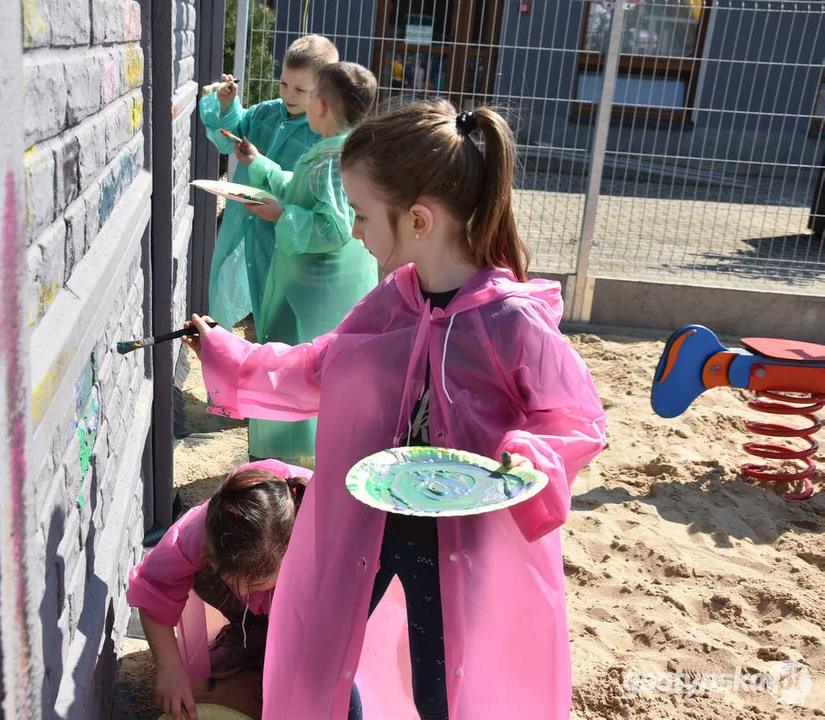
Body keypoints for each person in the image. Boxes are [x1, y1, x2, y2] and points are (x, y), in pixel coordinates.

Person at [182, 100, 607, 719]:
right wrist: (227, 350)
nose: (354, 229)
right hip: (368, 529)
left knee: (444, 686)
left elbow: (576, 420)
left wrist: (530, 454)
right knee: (324, 653)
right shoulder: (391, 302)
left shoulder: (509, 322)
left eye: (360, 213)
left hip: (459, 548)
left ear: (417, 220)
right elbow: (317, 366)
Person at [234, 62, 379, 466]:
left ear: (322, 105)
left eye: (312, 95)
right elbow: (303, 195)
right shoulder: (342, 149)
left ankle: (284, 470)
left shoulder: (333, 157)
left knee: (292, 374)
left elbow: (334, 227)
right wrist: (260, 165)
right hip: (324, 293)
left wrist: (281, 215)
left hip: (310, 299)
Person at [126, 460, 310, 720]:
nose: (240, 590)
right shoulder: (199, 531)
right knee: (207, 576)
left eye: (253, 584)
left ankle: (279, 642)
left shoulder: (313, 541)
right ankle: (250, 632)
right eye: (229, 577)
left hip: (301, 605)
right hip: (267, 579)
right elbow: (154, 589)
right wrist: (170, 669)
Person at [198, 35, 339, 339]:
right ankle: (222, 373)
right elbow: (227, 137)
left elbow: (308, 192)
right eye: (284, 84)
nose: (289, 94)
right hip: (241, 225)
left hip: (282, 237)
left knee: (276, 314)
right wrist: (227, 105)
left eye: (301, 89)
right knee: (223, 292)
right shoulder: (266, 113)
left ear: (323, 92)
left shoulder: (320, 135)